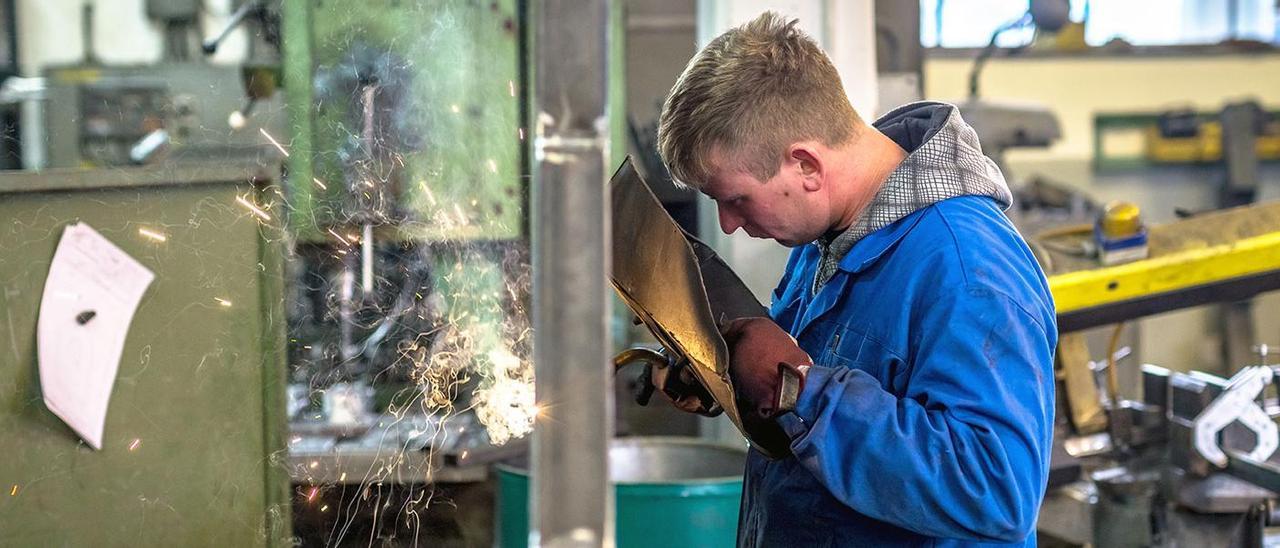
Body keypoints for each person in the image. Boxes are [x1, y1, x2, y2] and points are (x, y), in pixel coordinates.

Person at [651, 12, 1057, 548]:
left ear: (807, 166)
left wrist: (796, 388)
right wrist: (734, 383)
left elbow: (997, 489)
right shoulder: (830, 234)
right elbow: (814, 432)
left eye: (736, 199)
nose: (728, 222)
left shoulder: (966, 268)